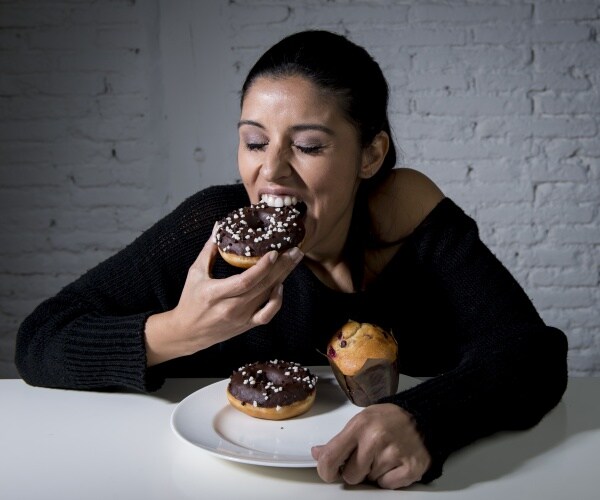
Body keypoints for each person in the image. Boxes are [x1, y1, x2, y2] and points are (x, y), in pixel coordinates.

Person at [15, 30, 567, 489]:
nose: (271, 172)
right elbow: (39, 340)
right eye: (255, 142)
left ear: (371, 155)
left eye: (307, 146)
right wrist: (181, 331)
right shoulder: (211, 228)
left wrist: (424, 419)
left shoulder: (409, 220)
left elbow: (533, 356)